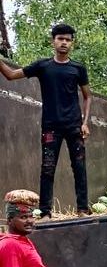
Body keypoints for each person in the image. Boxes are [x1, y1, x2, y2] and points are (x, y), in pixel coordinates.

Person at [0, 24, 92, 216]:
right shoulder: (43, 66)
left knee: (79, 167)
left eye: (67, 40)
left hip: (74, 126)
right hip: (51, 127)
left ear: (72, 44)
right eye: (60, 39)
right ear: (53, 41)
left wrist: (85, 122)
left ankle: (83, 209)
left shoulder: (78, 69)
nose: (64, 43)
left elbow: (87, 96)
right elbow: (10, 75)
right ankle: (45, 212)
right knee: (47, 169)